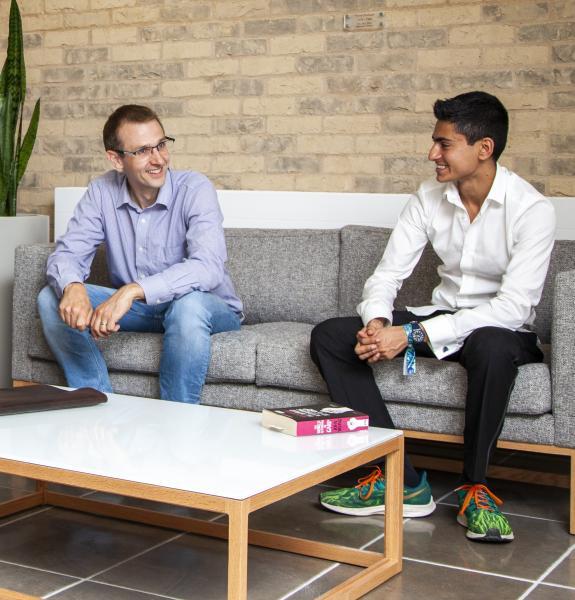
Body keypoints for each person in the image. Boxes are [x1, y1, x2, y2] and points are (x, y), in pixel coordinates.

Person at [310, 91, 555, 543]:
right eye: (434, 141)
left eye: (444, 144)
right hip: (442, 314)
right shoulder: (428, 197)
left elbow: (513, 307)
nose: (432, 154)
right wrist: (380, 323)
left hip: (503, 329)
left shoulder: (533, 210)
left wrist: (412, 334)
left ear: (484, 148)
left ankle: (476, 489)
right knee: (330, 335)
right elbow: (387, 275)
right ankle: (395, 478)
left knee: (492, 342)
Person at [38, 104, 243, 404]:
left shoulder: (195, 188)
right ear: (116, 159)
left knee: (187, 307)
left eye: (161, 145)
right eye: (144, 151)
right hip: (145, 311)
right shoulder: (102, 192)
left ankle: (178, 421)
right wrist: (72, 286)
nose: (158, 159)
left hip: (206, 307)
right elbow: (68, 253)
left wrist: (132, 291)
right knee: (50, 297)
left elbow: (207, 267)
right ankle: (97, 404)